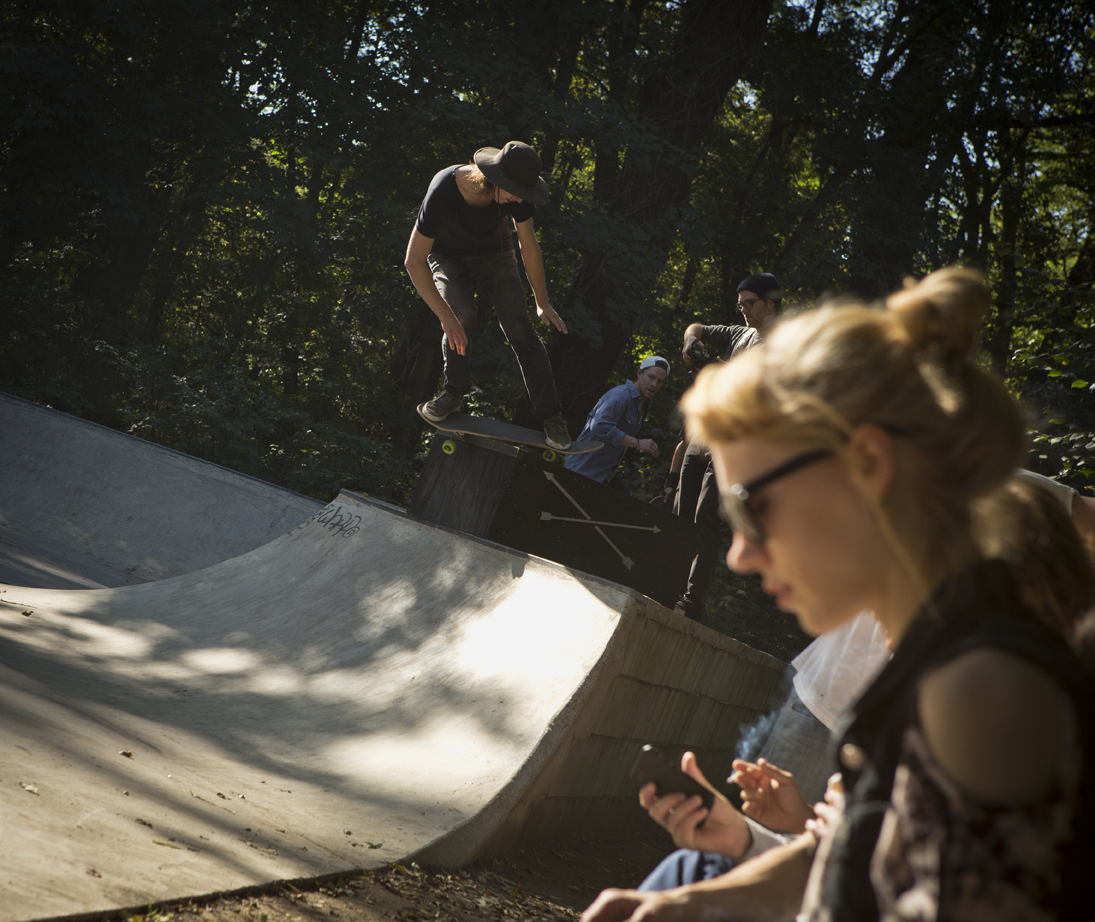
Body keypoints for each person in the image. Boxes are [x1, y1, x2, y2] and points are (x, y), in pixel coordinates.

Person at [582, 268, 1094, 922]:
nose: (739, 554)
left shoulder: (975, 695)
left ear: (869, 466)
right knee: (680, 875)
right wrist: (689, 899)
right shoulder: (936, 656)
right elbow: (851, 864)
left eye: (754, 509)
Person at [404, 141, 572, 449]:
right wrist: (446, 318)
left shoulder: (518, 194)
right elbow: (413, 260)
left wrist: (542, 301)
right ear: (495, 179)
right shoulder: (444, 188)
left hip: (495, 254)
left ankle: (552, 417)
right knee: (461, 317)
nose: (518, 199)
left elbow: (528, 246)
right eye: (514, 192)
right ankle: (453, 392)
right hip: (447, 257)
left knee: (520, 329)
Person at [672, 272, 782, 621]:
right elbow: (697, 327)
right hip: (704, 436)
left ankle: (691, 601)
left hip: (733, 446)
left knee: (706, 519)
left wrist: (719, 368)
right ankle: (666, 583)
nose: (744, 310)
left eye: (750, 304)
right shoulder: (739, 333)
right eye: (740, 305)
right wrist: (691, 341)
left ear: (771, 303)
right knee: (680, 513)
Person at [565, 356, 669, 493]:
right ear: (639, 373)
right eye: (651, 377)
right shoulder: (621, 396)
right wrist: (637, 443)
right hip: (581, 470)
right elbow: (599, 426)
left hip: (603, 474)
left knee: (624, 498)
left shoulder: (644, 403)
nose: (654, 384)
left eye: (659, 381)